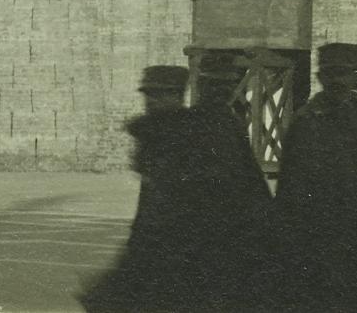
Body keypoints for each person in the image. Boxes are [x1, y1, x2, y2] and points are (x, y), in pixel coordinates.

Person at [78, 63, 274, 313]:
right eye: (149, 95)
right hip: (162, 245)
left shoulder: (193, 132)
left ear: (178, 95)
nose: (152, 101)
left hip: (189, 249)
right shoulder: (156, 134)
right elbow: (149, 204)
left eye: (161, 94)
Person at [274, 42, 357, 313]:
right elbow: (290, 193)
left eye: (343, 74)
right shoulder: (307, 121)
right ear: (321, 78)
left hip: (356, 240)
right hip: (317, 243)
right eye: (331, 75)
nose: (338, 82)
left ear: (351, 77)